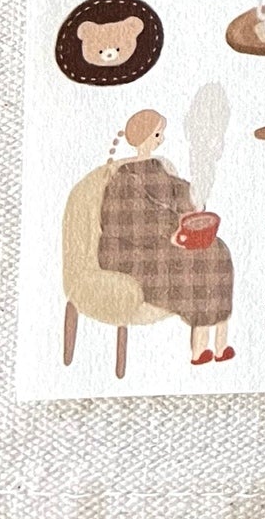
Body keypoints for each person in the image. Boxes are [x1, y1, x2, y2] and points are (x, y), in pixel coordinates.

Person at [98, 109, 234, 365]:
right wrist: (171, 231)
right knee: (195, 262)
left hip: (165, 239)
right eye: (158, 134)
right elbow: (128, 220)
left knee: (218, 250)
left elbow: (176, 189)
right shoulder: (123, 177)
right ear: (145, 137)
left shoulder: (156, 166)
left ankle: (220, 345)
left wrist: (193, 198)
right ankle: (199, 350)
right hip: (131, 250)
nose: (161, 139)